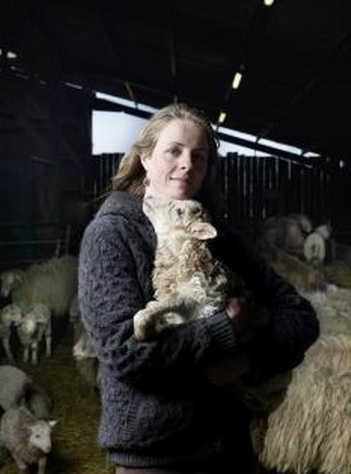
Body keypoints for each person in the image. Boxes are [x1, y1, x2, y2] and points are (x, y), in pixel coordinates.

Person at [78, 103, 319, 474]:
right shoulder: (111, 236)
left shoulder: (213, 236)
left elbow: (301, 316)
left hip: (232, 444)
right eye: (174, 150)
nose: (188, 163)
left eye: (199, 156)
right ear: (145, 158)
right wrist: (221, 331)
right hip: (156, 456)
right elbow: (125, 353)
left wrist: (247, 360)